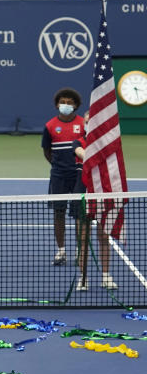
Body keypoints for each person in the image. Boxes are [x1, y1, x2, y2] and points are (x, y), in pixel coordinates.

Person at [41, 87, 85, 267]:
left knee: (79, 215)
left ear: (75, 105)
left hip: (79, 176)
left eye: (69, 102)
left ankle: (78, 251)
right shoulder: (50, 126)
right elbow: (47, 151)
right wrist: (57, 166)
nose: (65, 105)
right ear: (57, 104)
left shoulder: (83, 124)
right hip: (58, 176)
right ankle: (61, 251)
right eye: (62, 102)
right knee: (59, 214)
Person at [74, 112, 117, 290]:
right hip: (82, 193)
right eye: (87, 121)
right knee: (83, 239)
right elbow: (85, 156)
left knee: (103, 237)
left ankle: (106, 276)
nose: (89, 124)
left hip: (102, 193)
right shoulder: (77, 142)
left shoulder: (107, 143)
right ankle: (83, 278)